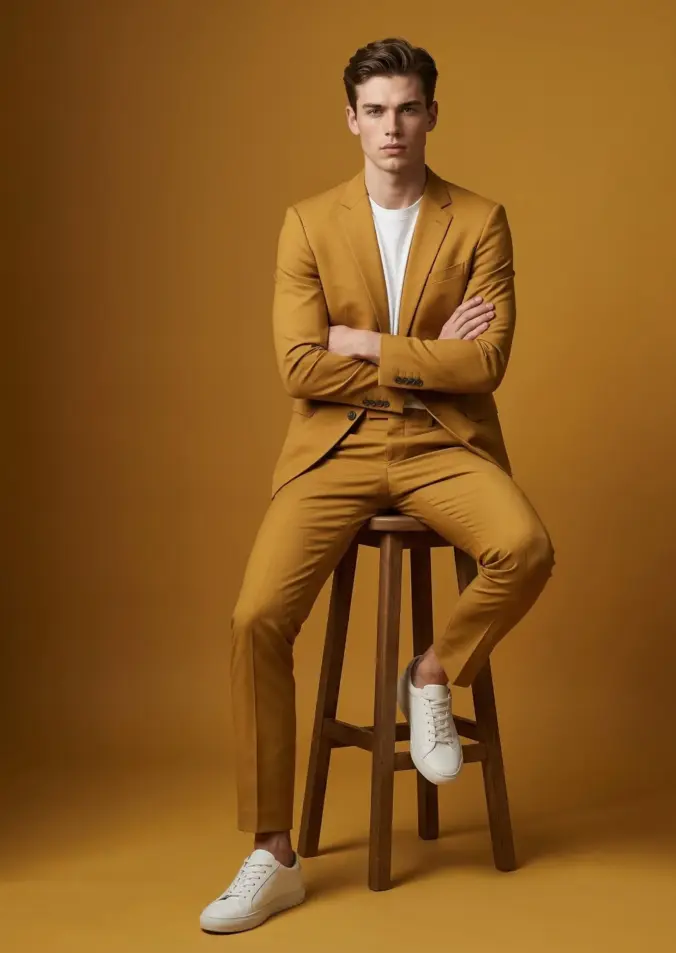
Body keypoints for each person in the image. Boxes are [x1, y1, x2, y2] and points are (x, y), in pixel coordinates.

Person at [200, 36, 555, 934]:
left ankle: (430, 673)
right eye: (375, 111)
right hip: (336, 449)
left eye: (407, 109)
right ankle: (273, 853)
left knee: (525, 549)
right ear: (351, 120)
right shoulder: (307, 223)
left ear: (432, 114)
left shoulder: (481, 221)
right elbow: (298, 367)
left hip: (442, 443)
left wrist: (362, 344)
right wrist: (424, 360)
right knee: (255, 618)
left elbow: (488, 362)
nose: (391, 127)